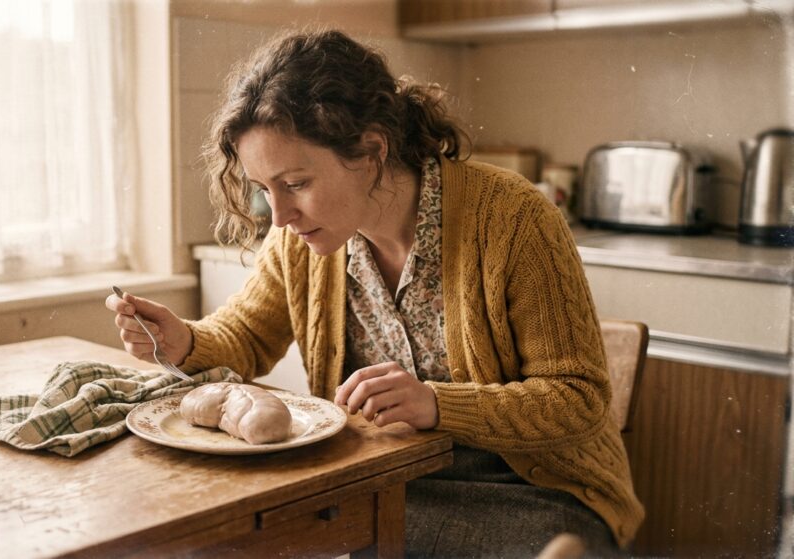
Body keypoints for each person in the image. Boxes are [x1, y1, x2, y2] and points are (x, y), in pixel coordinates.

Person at [106, 28, 643, 557]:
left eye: (295, 184)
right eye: (264, 190)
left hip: (535, 494)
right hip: (385, 479)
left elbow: (578, 398)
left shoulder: (513, 218)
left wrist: (436, 403)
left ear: (370, 152)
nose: (281, 214)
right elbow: (245, 335)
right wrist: (184, 342)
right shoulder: (300, 238)